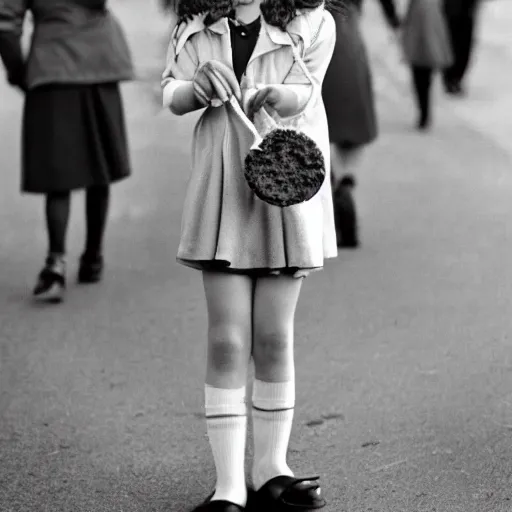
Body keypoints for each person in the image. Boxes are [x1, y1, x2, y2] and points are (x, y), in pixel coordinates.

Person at [161, 0, 341, 510]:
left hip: (283, 185)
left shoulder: (314, 23)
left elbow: (308, 92)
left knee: (274, 336)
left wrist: (276, 95)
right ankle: (228, 487)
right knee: (226, 339)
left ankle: (271, 469)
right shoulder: (194, 26)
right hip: (222, 190)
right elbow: (170, 90)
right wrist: (194, 89)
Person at [0, 0, 133, 302]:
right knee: (100, 164)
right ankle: (93, 258)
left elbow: (5, 24)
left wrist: (18, 71)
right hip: (100, 62)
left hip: (52, 66)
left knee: (57, 174)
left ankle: (55, 263)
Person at [322, 0, 401, 248]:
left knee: (314, 126)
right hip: (349, 45)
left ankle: (330, 179)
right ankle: (346, 182)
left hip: (313, 45)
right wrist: (395, 23)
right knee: (350, 129)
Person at [402, 0, 453, 130]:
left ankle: (424, 110)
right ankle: (424, 110)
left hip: (425, 16)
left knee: (422, 69)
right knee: (423, 69)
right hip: (427, 16)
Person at [442, 0, 481, 95]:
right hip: (452, 12)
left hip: (466, 12)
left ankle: (455, 79)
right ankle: (450, 79)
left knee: (464, 48)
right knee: (452, 45)